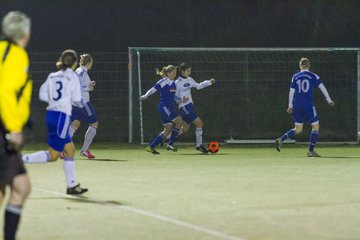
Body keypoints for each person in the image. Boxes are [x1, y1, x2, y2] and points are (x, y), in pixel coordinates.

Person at [22, 49, 88, 194]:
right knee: (53, 156)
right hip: (62, 117)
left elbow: (42, 94)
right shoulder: (73, 78)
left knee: (69, 149)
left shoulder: (53, 76)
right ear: (75, 63)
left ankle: (71, 186)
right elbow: (77, 100)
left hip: (51, 115)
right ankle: (19, 159)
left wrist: (54, 101)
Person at [0, 11, 32, 240]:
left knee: (20, 186)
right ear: (24, 33)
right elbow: (5, 92)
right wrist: (15, 128)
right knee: (18, 187)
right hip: (3, 129)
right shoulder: (17, 54)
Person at [275, 57, 335, 157]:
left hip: (296, 106)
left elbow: (291, 91)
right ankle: (311, 151)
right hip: (308, 106)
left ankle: (281, 139)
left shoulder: (295, 76)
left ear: (300, 65)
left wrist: (290, 105)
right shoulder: (313, 76)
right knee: (316, 126)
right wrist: (329, 100)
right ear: (309, 65)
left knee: (298, 129)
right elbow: (322, 87)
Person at [141, 65, 184, 154]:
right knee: (179, 121)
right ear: (168, 73)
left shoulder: (173, 83)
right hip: (164, 107)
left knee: (167, 130)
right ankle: (170, 144)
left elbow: (174, 97)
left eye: (175, 72)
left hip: (168, 108)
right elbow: (153, 89)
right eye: (173, 72)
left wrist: (182, 100)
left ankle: (151, 147)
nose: (175, 74)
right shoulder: (163, 81)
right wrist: (146, 95)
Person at [174, 62, 215, 153]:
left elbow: (198, 86)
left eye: (190, 71)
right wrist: (182, 99)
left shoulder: (190, 79)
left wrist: (209, 82)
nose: (189, 72)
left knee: (184, 129)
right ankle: (199, 145)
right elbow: (175, 98)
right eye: (187, 71)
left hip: (189, 106)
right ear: (182, 71)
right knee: (200, 124)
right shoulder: (177, 83)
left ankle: (164, 137)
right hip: (184, 107)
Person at [68, 53, 97, 159]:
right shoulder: (81, 72)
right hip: (83, 103)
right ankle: (84, 150)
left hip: (76, 102)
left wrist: (90, 85)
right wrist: (87, 86)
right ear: (88, 63)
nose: (92, 64)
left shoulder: (80, 71)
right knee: (94, 123)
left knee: (76, 123)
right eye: (91, 62)